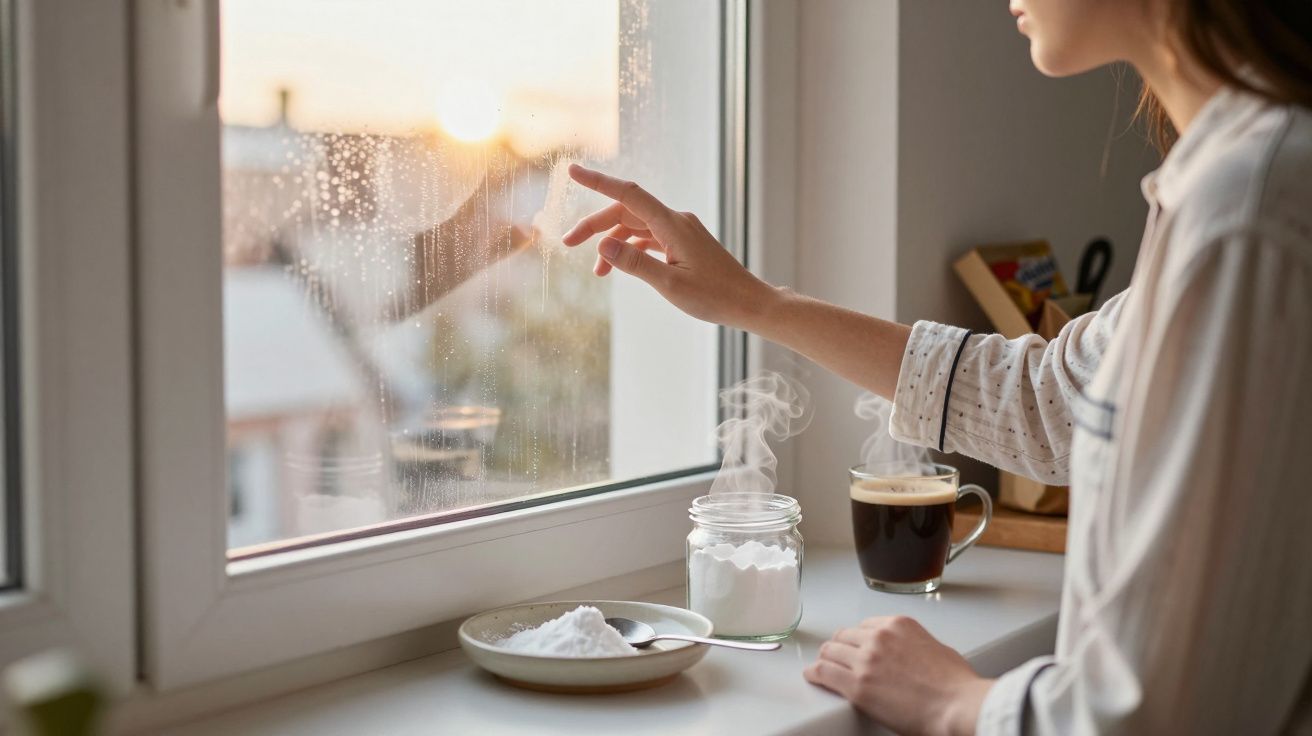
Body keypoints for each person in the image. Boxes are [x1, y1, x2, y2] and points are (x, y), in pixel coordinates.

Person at [561, 0, 1312, 732]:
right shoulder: (1239, 180)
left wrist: (957, 701)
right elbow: (1053, 403)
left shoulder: (1248, 210)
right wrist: (757, 304)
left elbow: (1154, 716)